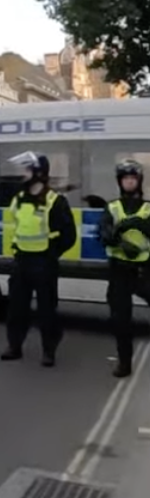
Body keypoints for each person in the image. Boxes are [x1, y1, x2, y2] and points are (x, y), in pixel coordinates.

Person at [1, 151, 77, 367]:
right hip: (22, 261)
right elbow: (15, 226)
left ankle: (49, 350)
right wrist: (16, 250)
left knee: (46, 309)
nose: (22, 175)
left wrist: (51, 253)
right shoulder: (18, 199)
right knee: (16, 307)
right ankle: (14, 346)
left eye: (26, 170)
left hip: (44, 263)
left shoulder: (55, 201)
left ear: (38, 172)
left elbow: (69, 236)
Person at [99, 159, 150, 378]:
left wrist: (143, 226)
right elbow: (103, 234)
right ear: (120, 182)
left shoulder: (148, 208)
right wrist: (119, 239)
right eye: (125, 179)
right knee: (120, 320)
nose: (129, 182)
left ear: (139, 181)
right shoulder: (112, 207)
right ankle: (124, 363)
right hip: (120, 270)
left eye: (132, 178)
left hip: (145, 269)